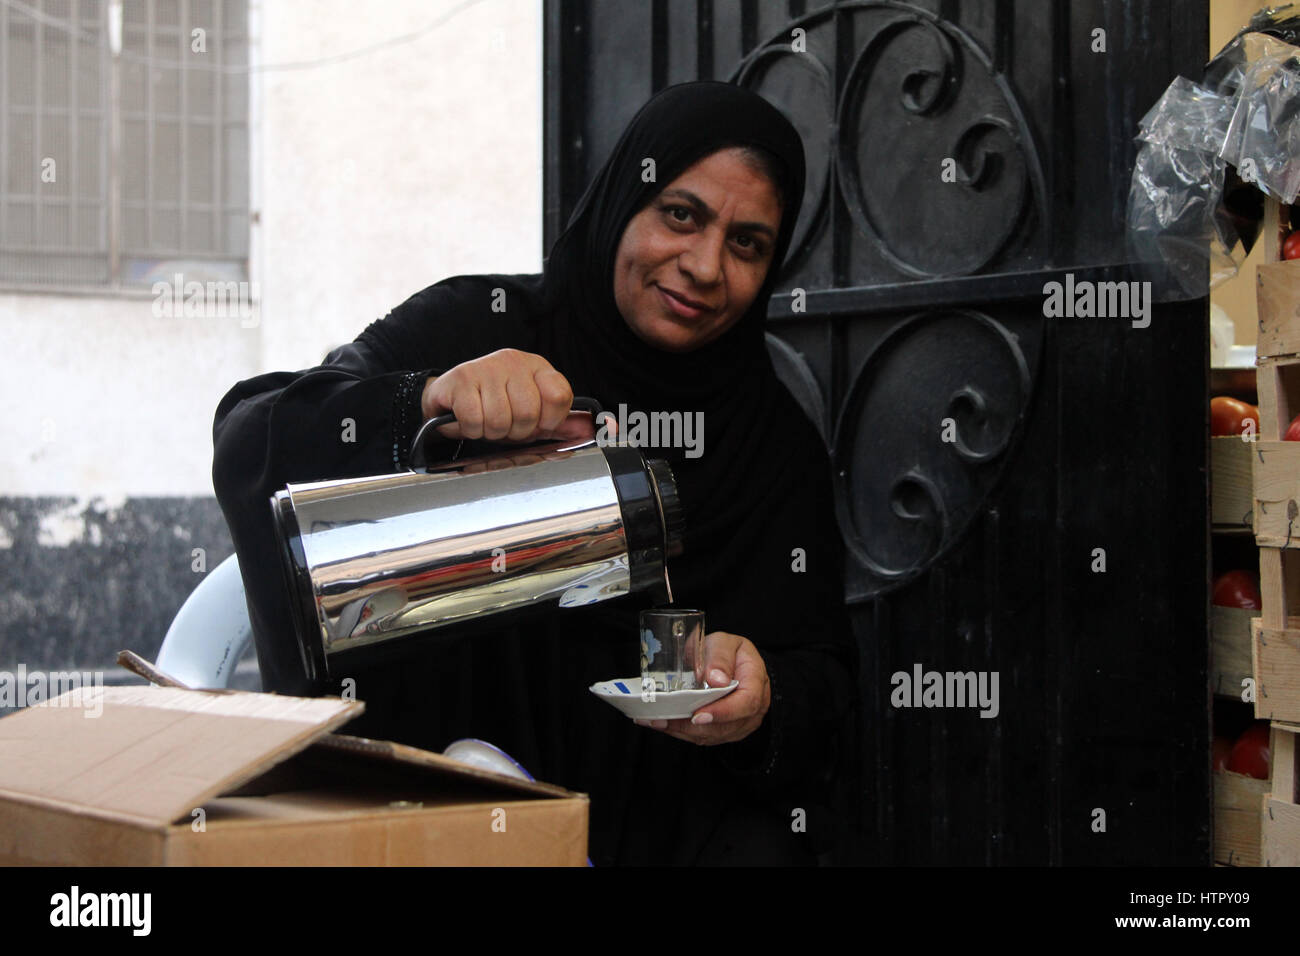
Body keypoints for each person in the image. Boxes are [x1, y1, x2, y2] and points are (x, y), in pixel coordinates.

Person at [211, 80, 858, 865]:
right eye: (680, 215)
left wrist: (760, 698)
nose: (705, 265)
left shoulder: (771, 444)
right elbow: (250, 432)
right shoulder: (480, 325)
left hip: (645, 832)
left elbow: (822, 689)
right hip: (428, 805)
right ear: (626, 200)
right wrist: (428, 401)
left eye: (747, 243)